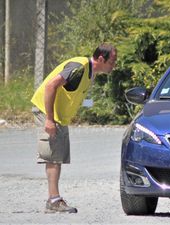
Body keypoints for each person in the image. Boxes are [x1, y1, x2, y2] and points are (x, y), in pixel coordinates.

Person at [31, 43, 117, 213]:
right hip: (47, 111)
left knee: (58, 155)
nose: (114, 65)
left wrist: (86, 107)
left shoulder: (90, 73)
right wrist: (49, 119)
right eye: (112, 61)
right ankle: (54, 201)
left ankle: (54, 199)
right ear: (101, 58)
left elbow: (73, 95)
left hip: (59, 116)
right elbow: (50, 86)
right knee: (53, 156)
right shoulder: (80, 67)